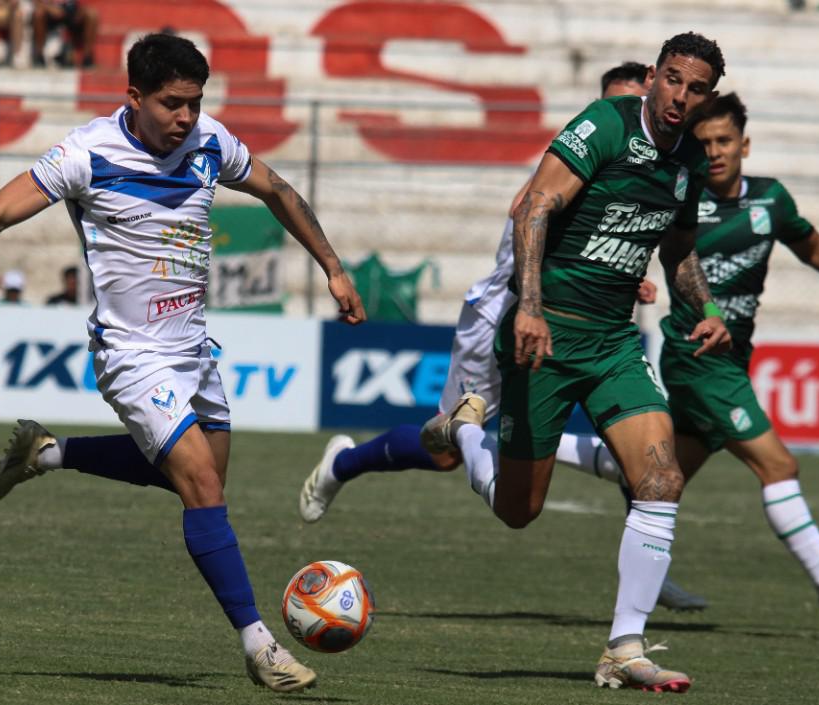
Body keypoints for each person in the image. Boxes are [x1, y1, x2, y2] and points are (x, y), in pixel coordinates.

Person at [0, 33, 365, 693]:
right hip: (133, 355)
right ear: (134, 97)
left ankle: (48, 453)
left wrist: (333, 268)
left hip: (195, 350)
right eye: (172, 103)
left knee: (197, 482)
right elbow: (0, 209)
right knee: (203, 487)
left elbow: (277, 189)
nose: (186, 117)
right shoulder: (88, 154)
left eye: (195, 102)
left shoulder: (210, 142)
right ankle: (260, 645)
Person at [296, 61, 704, 613]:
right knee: (448, 456)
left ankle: (647, 578)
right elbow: (528, 208)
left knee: (626, 452)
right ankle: (344, 463)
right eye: (625, 99)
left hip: (579, 324)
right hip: (502, 312)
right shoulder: (588, 144)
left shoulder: (661, 158)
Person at [428, 33, 732, 692]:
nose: (681, 96)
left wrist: (705, 307)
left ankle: (624, 646)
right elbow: (534, 205)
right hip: (549, 331)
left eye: (696, 87)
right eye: (673, 80)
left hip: (613, 342)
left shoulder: (689, 163)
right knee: (519, 509)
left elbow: (678, 251)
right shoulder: (604, 125)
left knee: (661, 479)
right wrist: (530, 306)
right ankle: (467, 431)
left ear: (709, 96)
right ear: (653, 76)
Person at [557, 93, 819, 627]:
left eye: (724, 141)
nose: (715, 152)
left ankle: (512, 441)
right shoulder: (680, 196)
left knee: (652, 468)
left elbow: (808, 244)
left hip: (733, 359)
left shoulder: (770, 201)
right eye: (705, 143)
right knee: (778, 466)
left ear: (745, 144)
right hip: (697, 359)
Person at [32, 0, 98, 68]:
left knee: (92, 14)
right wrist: (48, 7)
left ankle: (87, 58)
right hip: (50, 10)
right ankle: (39, 57)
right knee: (38, 13)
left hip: (72, 10)